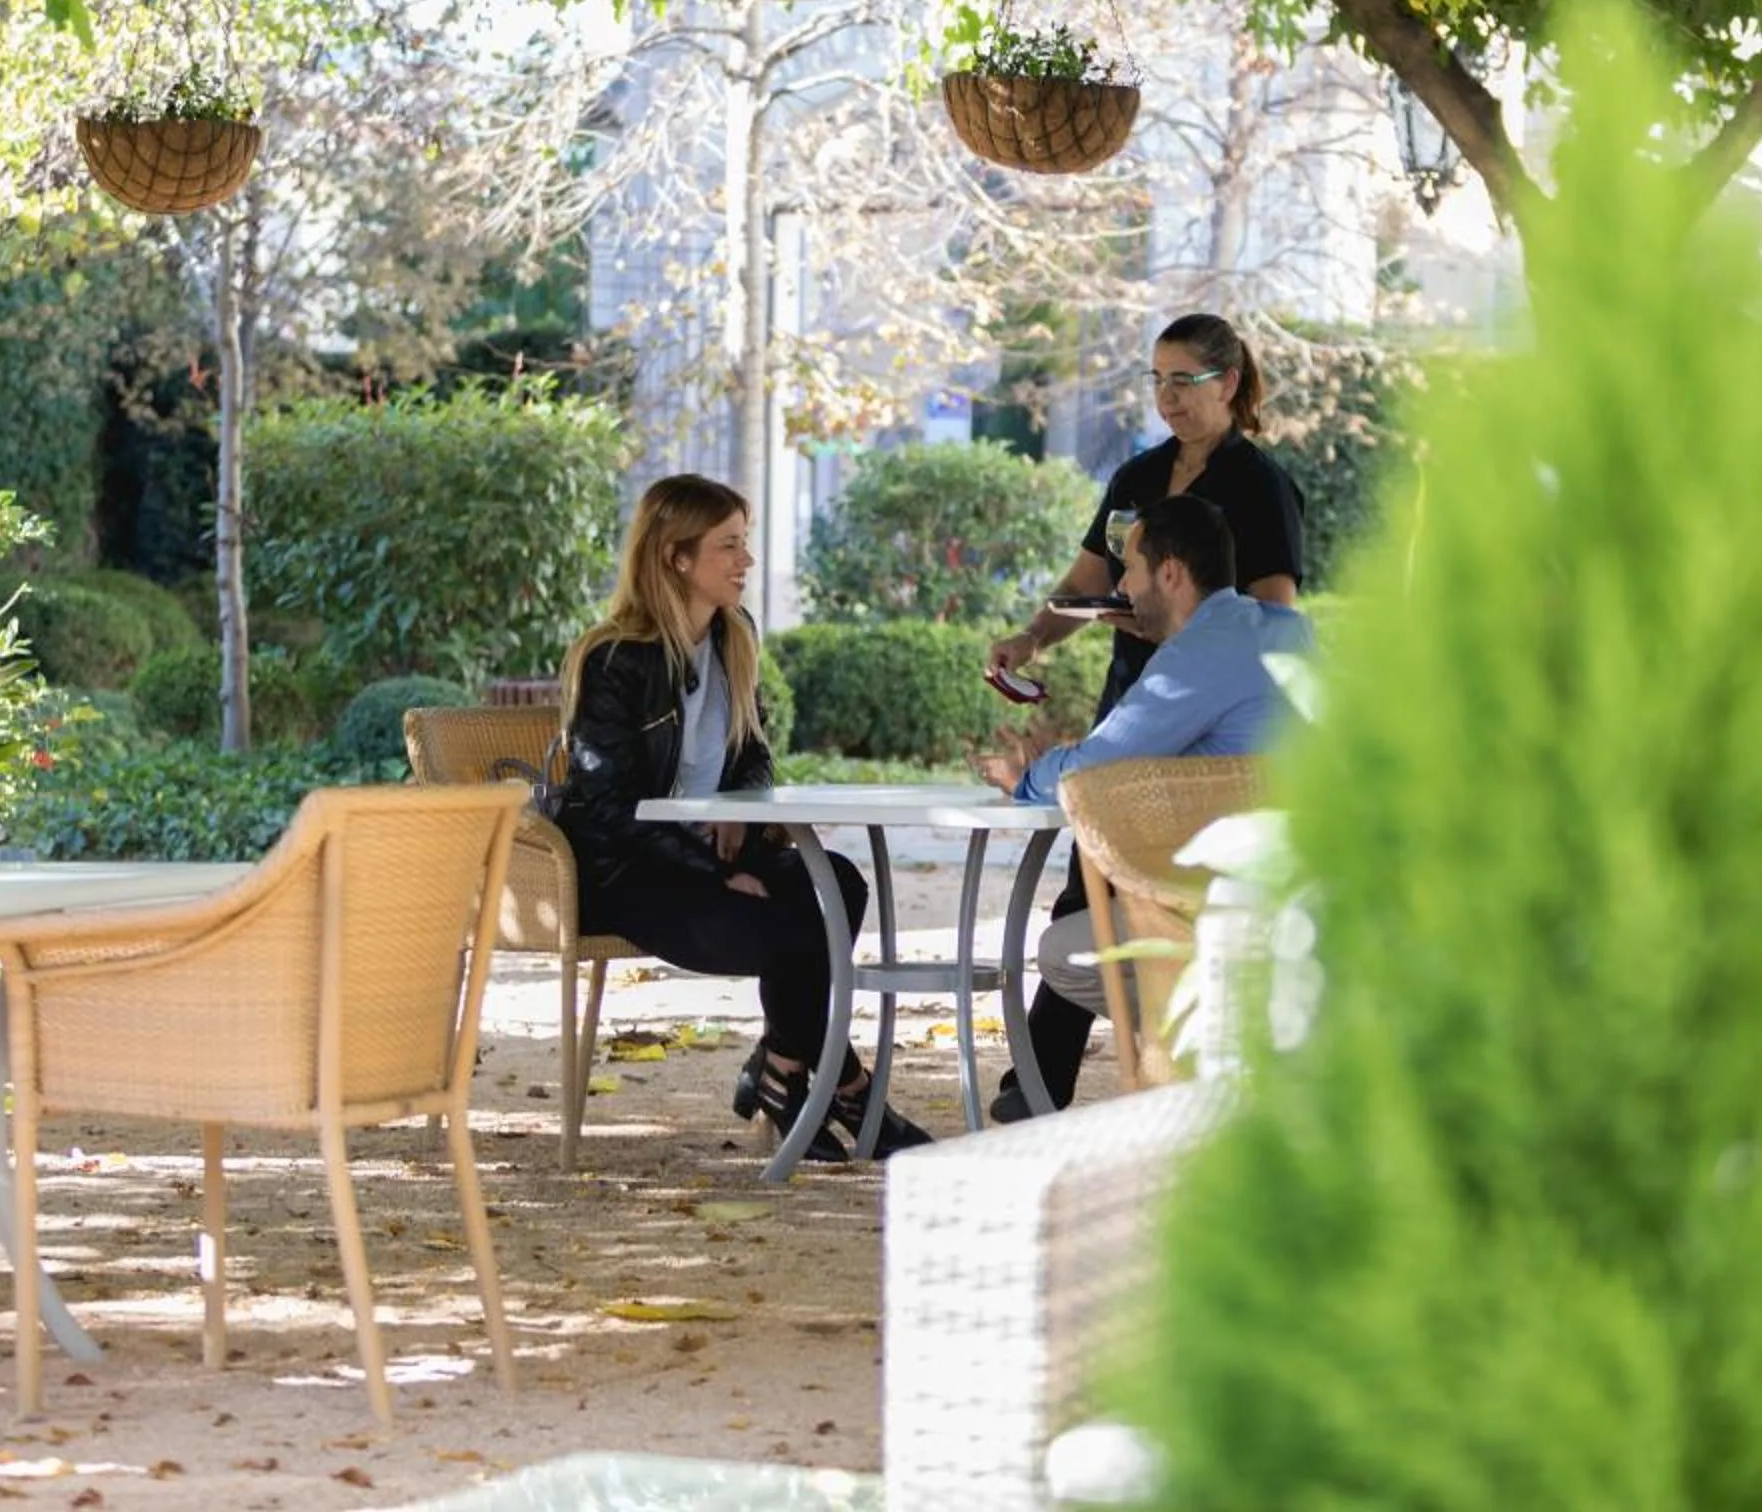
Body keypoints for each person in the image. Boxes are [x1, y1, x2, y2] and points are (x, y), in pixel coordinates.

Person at [557, 475, 928, 1162]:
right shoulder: (614, 659)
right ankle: (844, 1084)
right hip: (634, 873)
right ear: (676, 557)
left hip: (719, 855)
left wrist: (741, 821)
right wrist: (710, 871)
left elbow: (754, 754)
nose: (746, 560)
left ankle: (782, 1070)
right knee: (794, 932)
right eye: (727, 545)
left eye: (744, 543)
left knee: (838, 885)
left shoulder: (735, 635)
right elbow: (608, 808)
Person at [976, 494, 1310, 1115]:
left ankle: (1218, 1056)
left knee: (1063, 954)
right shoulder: (1290, 630)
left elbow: (1095, 770)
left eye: (1129, 569)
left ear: (1171, 573)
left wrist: (1026, 775)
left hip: (1217, 913)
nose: (1121, 588)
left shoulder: (1194, 658)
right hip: (1317, 904)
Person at [985, 312, 1305, 725]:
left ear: (1228, 383)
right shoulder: (1136, 477)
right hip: (1129, 702)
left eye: (1182, 381)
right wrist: (1032, 638)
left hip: (1210, 715)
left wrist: (1171, 627)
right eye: (1157, 380)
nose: (1165, 398)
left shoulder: (1262, 487)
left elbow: (1273, 626)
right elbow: (1084, 584)